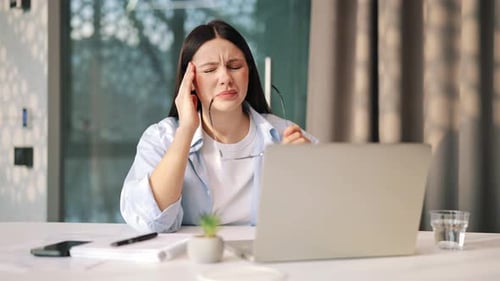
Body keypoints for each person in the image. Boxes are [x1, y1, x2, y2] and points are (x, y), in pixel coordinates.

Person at [120, 19, 318, 233]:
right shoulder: (162, 138)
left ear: (248, 73)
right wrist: (186, 130)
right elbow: (151, 221)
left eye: (235, 66)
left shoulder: (286, 135)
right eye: (209, 70)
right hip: (190, 261)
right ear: (191, 81)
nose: (225, 77)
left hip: (261, 261)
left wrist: (306, 168)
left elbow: (328, 215)